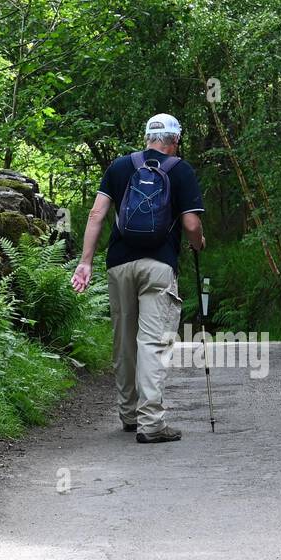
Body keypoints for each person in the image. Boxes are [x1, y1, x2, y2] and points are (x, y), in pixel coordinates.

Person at [72, 113, 206, 443]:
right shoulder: (181, 170)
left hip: (119, 265)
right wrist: (198, 243)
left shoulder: (119, 167)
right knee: (153, 342)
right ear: (174, 140)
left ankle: (129, 414)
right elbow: (190, 226)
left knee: (124, 340)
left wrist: (85, 263)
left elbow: (97, 214)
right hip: (159, 266)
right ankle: (151, 423)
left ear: (147, 137)